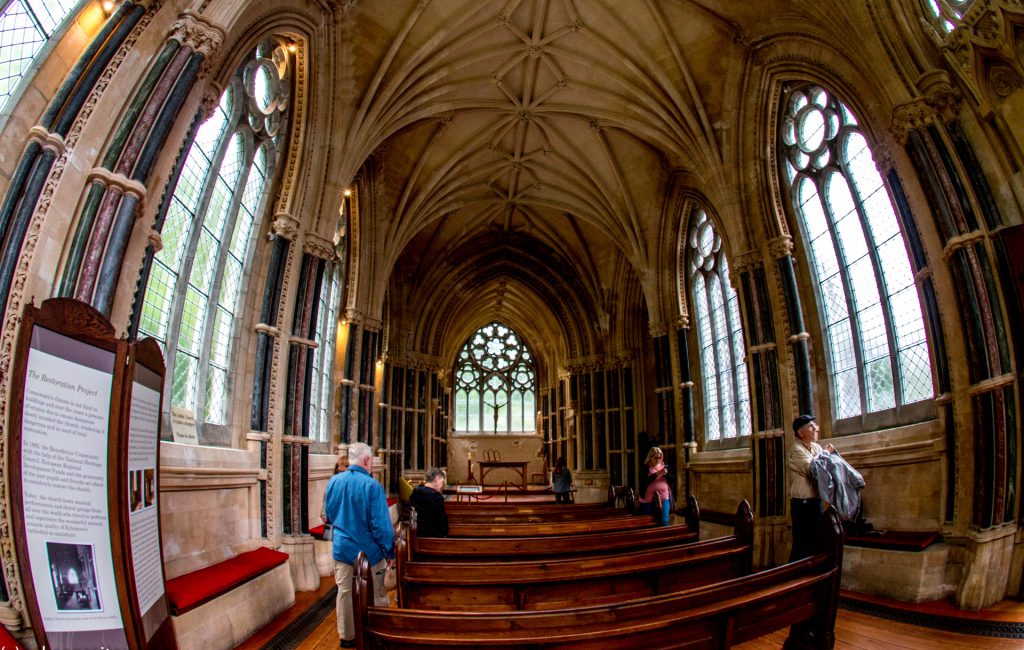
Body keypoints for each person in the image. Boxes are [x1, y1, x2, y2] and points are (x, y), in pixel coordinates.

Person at [323, 443, 394, 648]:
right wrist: (389, 550)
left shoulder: (334, 481)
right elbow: (381, 525)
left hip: (342, 549)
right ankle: (379, 629)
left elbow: (330, 513)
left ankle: (347, 635)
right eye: (371, 460)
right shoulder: (372, 486)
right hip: (369, 552)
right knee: (377, 592)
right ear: (366, 461)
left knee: (344, 592)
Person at [787, 414, 834, 561]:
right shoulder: (796, 450)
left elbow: (827, 468)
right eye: (810, 426)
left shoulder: (816, 447)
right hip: (802, 505)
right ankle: (793, 578)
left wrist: (824, 455)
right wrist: (826, 453)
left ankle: (812, 577)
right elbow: (814, 469)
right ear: (800, 433)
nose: (815, 428)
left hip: (815, 502)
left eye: (814, 425)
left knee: (816, 542)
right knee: (802, 544)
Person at [638, 446, 673, 525]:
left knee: (664, 521)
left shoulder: (665, 467)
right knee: (648, 523)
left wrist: (666, 474)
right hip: (647, 499)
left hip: (664, 498)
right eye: (656, 458)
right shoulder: (645, 468)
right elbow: (644, 481)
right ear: (650, 457)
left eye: (660, 458)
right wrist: (657, 474)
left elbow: (672, 479)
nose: (658, 460)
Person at [410, 467, 449, 537]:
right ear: (436, 479)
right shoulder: (436, 498)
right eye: (442, 481)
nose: (442, 485)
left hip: (416, 536)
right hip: (433, 538)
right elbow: (442, 521)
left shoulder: (415, 492)